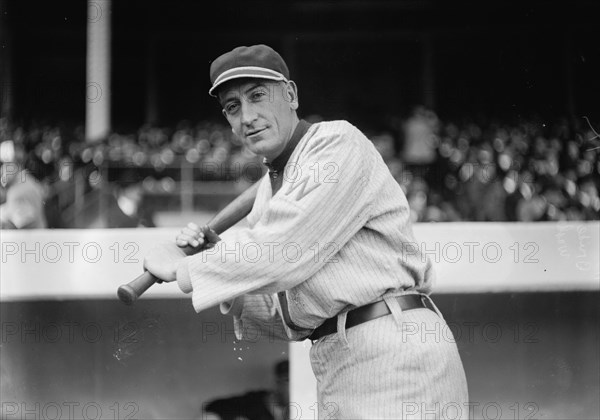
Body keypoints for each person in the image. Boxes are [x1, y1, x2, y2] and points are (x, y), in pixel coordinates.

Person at [143, 44, 468, 419]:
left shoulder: (335, 143)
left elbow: (282, 253)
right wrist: (209, 261)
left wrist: (183, 268)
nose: (247, 116)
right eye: (233, 107)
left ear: (292, 95)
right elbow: (288, 316)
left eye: (257, 96)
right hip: (337, 357)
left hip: (392, 344)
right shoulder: (270, 190)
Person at [203, 360, 289, 420]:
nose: (291, 388)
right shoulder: (253, 401)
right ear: (277, 382)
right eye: (287, 380)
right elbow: (212, 406)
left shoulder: (299, 407)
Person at [0, 162, 47, 229]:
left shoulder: (15, 192)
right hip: (41, 230)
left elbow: (23, 221)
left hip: (28, 235)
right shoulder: (30, 181)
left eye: (2, 174)